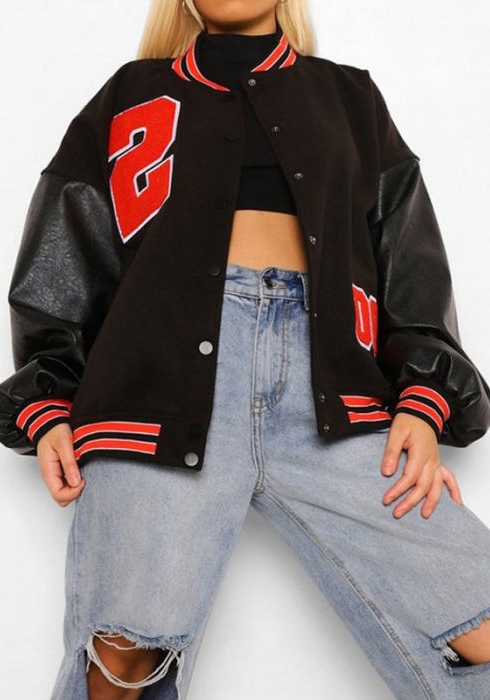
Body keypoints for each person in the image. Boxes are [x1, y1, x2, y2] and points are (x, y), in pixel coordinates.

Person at [1, 0, 490, 698]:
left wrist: (423, 398)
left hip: (337, 394)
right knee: (121, 662)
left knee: (477, 618)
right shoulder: (130, 94)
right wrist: (45, 402)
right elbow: (62, 260)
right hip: (157, 395)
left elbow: (409, 263)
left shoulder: (349, 97)